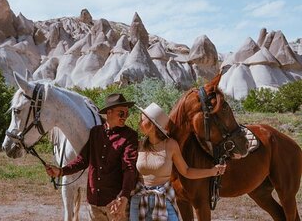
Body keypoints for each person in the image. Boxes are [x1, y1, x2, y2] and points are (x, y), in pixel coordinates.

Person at [45, 93, 138, 221]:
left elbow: (129, 168)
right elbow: (82, 160)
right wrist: (61, 171)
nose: (125, 117)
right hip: (94, 203)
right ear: (109, 113)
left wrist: (124, 197)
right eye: (121, 113)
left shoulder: (130, 136)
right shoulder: (95, 132)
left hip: (115, 204)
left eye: (127, 113)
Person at [130, 102, 227, 221]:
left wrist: (212, 171)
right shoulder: (139, 145)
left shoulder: (170, 145)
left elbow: (186, 171)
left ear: (152, 124)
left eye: (142, 120)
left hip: (164, 200)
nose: (139, 123)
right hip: (139, 199)